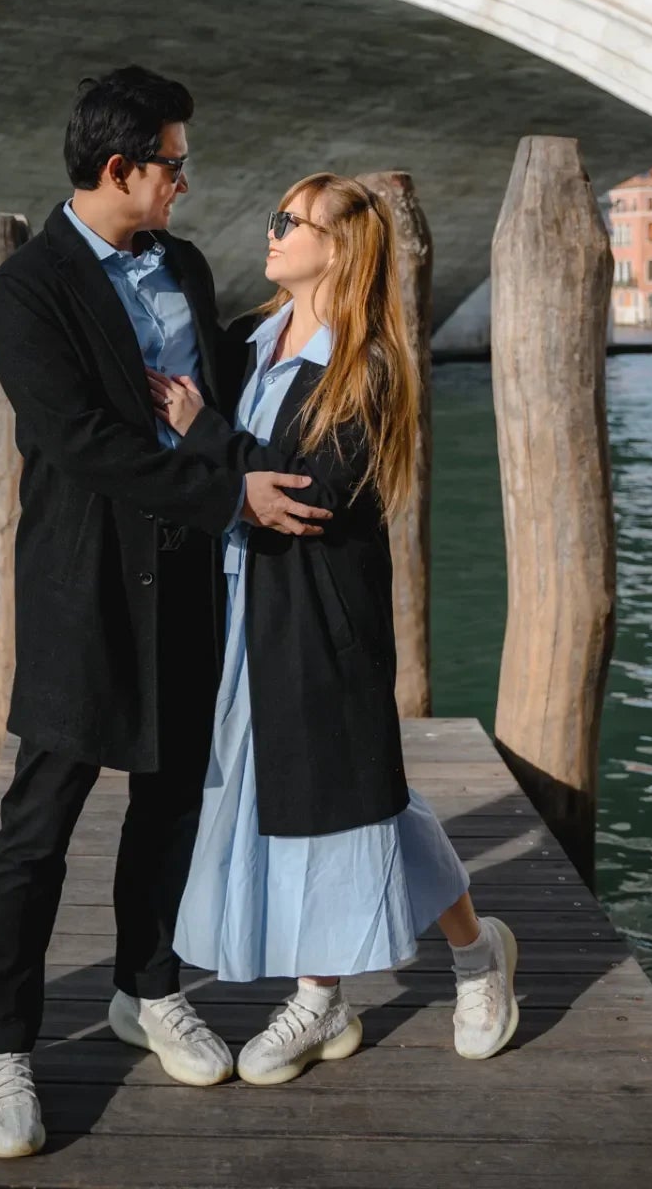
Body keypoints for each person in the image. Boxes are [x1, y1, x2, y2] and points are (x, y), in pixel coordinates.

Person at [0, 69, 332, 1159]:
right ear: (119, 169)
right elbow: (82, 442)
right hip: (83, 581)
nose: (184, 179)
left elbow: (217, 383)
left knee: (172, 800)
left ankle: (145, 985)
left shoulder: (183, 263)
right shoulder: (25, 291)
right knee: (40, 819)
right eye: (172, 161)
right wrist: (233, 491)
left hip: (192, 573)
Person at [156, 174, 520, 1084]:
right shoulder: (249, 338)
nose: (269, 232)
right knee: (354, 796)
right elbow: (232, 474)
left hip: (320, 612)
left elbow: (307, 499)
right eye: (274, 214)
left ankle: (326, 996)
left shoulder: (370, 367)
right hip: (240, 604)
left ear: (341, 245)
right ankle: (470, 955)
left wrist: (207, 433)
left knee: (342, 798)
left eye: (289, 221)